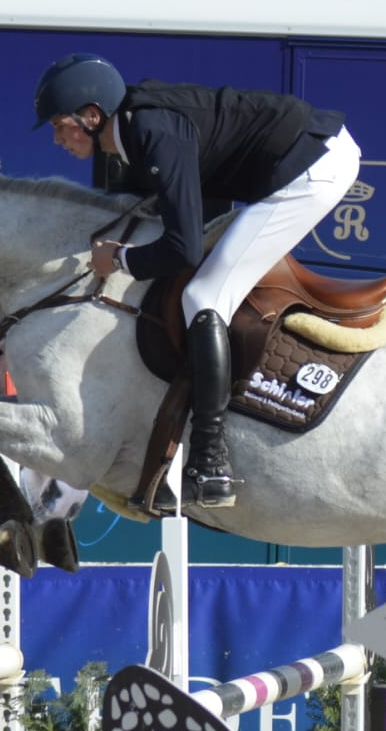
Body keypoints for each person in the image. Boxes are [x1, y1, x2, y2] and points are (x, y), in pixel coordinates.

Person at [31, 52, 361, 510]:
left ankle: (211, 458)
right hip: (295, 158)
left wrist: (122, 259)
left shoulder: (150, 131)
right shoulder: (133, 130)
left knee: (204, 295)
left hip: (311, 170)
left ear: (91, 116)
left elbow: (182, 248)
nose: (56, 138)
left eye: (59, 125)